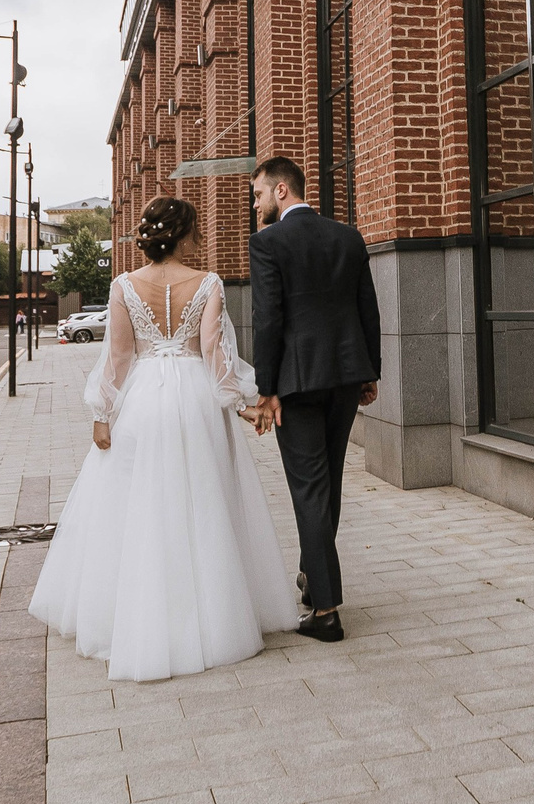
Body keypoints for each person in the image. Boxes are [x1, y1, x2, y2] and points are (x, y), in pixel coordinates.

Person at [29, 196, 297, 680]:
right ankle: (211, 617)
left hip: (142, 400)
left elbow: (119, 357)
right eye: (196, 230)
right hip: (196, 400)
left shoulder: (123, 285)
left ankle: (141, 617)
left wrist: (102, 414)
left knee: (142, 504)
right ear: (182, 235)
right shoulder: (208, 282)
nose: (200, 238)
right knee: (204, 501)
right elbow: (214, 352)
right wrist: (241, 402)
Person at [246, 156, 380, 644]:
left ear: (281, 190)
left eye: (259, 194)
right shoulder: (348, 237)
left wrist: (265, 390)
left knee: (309, 489)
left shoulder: (268, 242)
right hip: (345, 375)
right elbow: (367, 307)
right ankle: (312, 575)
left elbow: (268, 320)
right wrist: (369, 371)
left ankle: (326, 611)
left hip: (297, 383)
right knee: (329, 483)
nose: (256, 204)